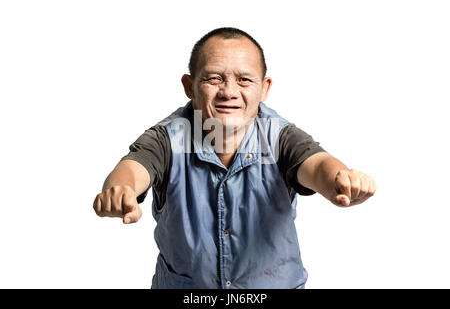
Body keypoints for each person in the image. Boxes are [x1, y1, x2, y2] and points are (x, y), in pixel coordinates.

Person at [93, 27, 376, 289]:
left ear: (264, 88)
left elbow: (317, 165)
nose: (229, 92)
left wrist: (341, 180)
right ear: (189, 86)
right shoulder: (168, 137)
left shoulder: (281, 137)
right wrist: (120, 191)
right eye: (214, 78)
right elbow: (133, 167)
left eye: (244, 80)